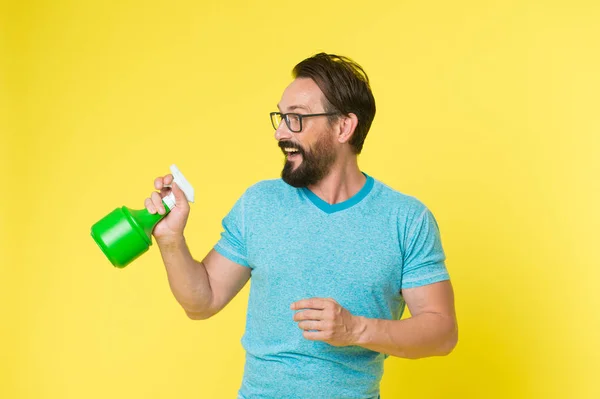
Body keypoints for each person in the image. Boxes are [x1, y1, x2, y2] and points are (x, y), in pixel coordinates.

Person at [144, 53, 458, 399]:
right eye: (280, 117)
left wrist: (356, 329)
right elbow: (202, 303)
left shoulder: (406, 220)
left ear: (343, 127)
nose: (280, 132)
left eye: (296, 118)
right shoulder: (259, 204)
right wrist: (171, 238)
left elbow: (441, 332)